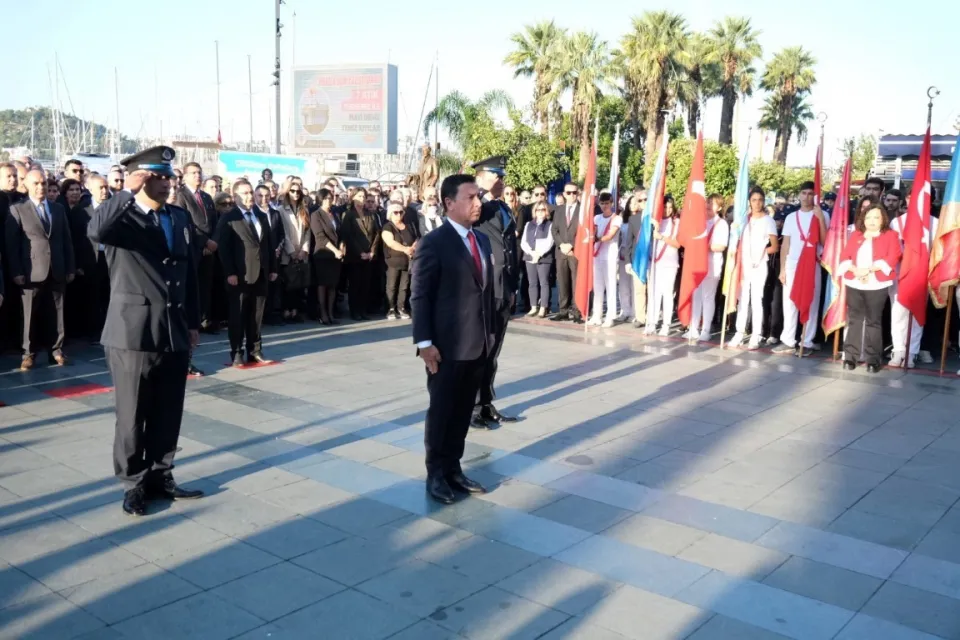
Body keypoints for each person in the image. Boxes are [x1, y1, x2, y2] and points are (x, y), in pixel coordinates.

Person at [87, 146, 203, 516]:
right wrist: (125, 191)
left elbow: (188, 272)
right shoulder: (122, 218)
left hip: (173, 329)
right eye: (160, 177)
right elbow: (96, 229)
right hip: (132, 333)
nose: (169, 183)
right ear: (142, 178)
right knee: (132, 414)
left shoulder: (179, 217)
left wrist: (193, 322)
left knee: (169, 410)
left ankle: (160, 474)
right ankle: (133, 484)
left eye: (170, 177)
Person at [411, 174, 493, 504]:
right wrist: (424, 343)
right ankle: (435, 475)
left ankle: (453, 468)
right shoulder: (434, 242)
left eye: (479, 196)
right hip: (445, 347)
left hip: (477, 344)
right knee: (442, 411)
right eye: (470, 197)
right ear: (449, 203)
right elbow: (420, 295)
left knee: (462, 412)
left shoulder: (481, 240)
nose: (478, 203)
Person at [6, 169, 75, 370]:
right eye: (36, 183)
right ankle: (28, 353)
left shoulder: (58, 209)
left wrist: (70, 266)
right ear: (27, 185)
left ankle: (56, 350)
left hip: (57, 268)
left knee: (57, 312)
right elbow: (12, 244)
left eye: (43, 183)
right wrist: (17, 271)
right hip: (31, 271)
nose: (40, 187)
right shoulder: (18, 209)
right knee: (30, 314)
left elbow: (66, 240)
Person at [471, 156, 519, 429]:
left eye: (502, 176)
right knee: (480, 350)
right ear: (480, 177)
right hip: (485, 286)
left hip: (503, 287)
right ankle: (472, 407)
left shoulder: (503, 207)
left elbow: (511, 250)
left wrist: (513, 287)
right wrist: (480, 192)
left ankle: (486, 404)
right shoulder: (476, 205)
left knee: (494, 351)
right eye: (495, 175)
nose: (501, 180)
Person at [216, 180, 278, 367]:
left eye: (250, 192)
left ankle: (255, 351)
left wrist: (273, 268)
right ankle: (236, 352)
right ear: (235, 197)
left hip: (261, 273)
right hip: (240, 275)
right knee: (238, 316)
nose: (249, 196)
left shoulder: (261, 215)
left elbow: (269, 244)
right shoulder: (229, 218)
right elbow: (223, 248)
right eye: (244, 193)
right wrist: (230, 272)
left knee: (256, 316)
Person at [839, 204, 901, 373]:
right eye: (868, 217)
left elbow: (894, 256)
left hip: (877, 283)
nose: (872, 221)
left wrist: (869, 270)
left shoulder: (890, 235)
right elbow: (845, 256)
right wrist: (855, 270)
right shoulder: (856, 234)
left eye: (876, 217)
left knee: (874, 320)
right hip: (855, 281)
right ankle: (850, 356)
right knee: (854, 319)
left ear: (883, 220)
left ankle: (873, 359)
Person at [773, 182, 829, 356]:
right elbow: (785, 244)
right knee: (790, 301)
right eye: (803, 193)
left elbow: (825, 242)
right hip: (792, 263)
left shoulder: (823, 214)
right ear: (799, 195)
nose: (806, 197)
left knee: (811, 301)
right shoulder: (791, 217)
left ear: (815, 196)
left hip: (812, 263)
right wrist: (782, 269)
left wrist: (820, 219)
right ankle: (788, 340)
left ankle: (807, 341)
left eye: (810, 193)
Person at [888, 194, 938, 368]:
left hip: (921, 275)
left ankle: (912, 351)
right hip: (899, 274)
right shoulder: (897, 222)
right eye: (911, 197)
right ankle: (898, 349)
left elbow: (937, 252)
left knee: (917, 314)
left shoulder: (935, 223)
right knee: (898, 313)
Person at [728, 187, 779, 349]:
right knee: (742, 299)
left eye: (760, 200)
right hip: (743, 265)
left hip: (759, 265)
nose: (757, 203)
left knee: (757, 299)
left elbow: (775, 246)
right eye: (754, 200)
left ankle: (756, 334)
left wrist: (762, 253)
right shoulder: (744, 220)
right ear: (749, 202)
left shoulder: (768, 221)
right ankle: (739, 332)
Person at [175, 162, 219, 335]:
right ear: (185, 176)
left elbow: (215, 222)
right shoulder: (181, 196)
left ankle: (205, 319)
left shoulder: (206, 197)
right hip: (193, 247)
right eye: (193, 173)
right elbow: (185, 222)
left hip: (210, 249)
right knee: (193, 286)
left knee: (206, 285)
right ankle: (192, 321)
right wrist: (204, 241)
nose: (197, 175)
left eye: (199, 172)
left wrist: (214, 241)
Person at [685, 194, 730, 343]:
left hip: (712, 265)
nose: (709, 205)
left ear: (719, 207)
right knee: (696, 295)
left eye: (713, 203)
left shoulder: (722, 224)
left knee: (708, 297)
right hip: (698, 263)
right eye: (708, 202)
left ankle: (706, 329)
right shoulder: (700, 221)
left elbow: (721, 246)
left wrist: (706, 247)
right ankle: (693, 328)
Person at [63, 178, 99, 342]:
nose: (75, 192)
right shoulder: (63, 209)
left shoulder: (85, 209)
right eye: (71, 190)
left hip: (87, 261)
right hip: (72, 260)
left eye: (77, 189)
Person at [342, 188, 381, 320]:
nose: (362, 199)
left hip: (369, 255)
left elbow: (376, 234)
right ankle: (354, 311)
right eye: (359, 196)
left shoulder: (370, 214)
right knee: (355, 284)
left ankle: (363, 310)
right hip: (355, 256)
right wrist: (361, 252)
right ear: (353, 198)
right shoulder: (349, 215)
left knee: (365, 284)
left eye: (363, 196)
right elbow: (348, 236)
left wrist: (372, 251)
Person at [645, 195, 680, 336]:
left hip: (669, 263)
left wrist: (662, 237)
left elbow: (678, 244)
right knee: (654, 293)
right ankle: (652, 322)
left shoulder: (676, 222)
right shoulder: (654, 222)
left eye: (670, 207)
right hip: (654, 263)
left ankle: (666, 324)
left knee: (667, 293)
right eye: (665, 207)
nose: (667, 210)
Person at [310, 188, 344, 326]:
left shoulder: (335, 213)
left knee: (333, 285)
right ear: (320, 199)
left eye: (331, 198)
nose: (329, 200)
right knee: (323, 284)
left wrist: (341, 246)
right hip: (323, 253)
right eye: (326, 198)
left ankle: (331, 313)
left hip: (336, 255)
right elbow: (320, 236)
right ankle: (323, 313)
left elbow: (340, 232)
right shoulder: (316, 215)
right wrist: (335, 250)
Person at [278, 181, 312, 323]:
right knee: (288, 283)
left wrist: (304, 249)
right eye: (292, 191)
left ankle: (295, 311)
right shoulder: (281, 210)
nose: (295, 194)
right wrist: (291, 251)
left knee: (299, 284)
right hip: (288, 253)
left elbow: (307, 232)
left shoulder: (304, 210)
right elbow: (283, 233)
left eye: (298, 191)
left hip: (301, 252)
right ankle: (286, 312)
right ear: (288, 192)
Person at [551, 183, 584, 323]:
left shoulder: (583, 210)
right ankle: (563, 311)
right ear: (564, 194)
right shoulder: (558, 210)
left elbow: (583, 231)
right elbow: (554, 230)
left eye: (574, 192)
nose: (572, 195)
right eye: (569, 193)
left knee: (576, 282)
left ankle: (577, 311)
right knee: (562, 281)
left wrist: (571, 245)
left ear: (578, 193)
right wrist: (561, 245)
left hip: (576, 251)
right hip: (561, 252)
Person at [589, 193, 623, 327]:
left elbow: (610, 235)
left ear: (612, 203)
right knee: (597, 287)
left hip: (610, 257)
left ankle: (610, 316)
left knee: (610, 287)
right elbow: (592, 231)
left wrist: (596, 239)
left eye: (607, 203)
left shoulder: (617, 218)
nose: (604, 206)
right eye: (602, 203)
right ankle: (596, 315)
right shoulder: (596, 218)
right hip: (597, 256)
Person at [381, 202, 417, 320]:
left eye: (401, 212)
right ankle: (391, 308)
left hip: (407, 260)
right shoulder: (388, 226)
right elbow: (390, 242)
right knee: (392, 286)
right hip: (393, 260)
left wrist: (413, 248)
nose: (398, 215)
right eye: (395, 212)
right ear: (390, 214)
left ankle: (401, 308)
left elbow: (416, 238)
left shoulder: (408, 225)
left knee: (404, 286)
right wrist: (405, 249)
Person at [520, 201, 554, 318]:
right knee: (532, 283)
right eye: (538, 210)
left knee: (544, 283)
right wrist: (532, 253)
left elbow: (549, 242)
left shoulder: (550, 224)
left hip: (544, 257)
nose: (540, 212)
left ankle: (543, 308)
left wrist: (539, 254)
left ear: (546, 211)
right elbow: (523, 242)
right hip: (530, 256)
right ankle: (533, 307)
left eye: (543, 210)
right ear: (534, 211)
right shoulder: (528, 224)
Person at [622, 190, 649, 328]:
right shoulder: (633, 219)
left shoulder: (655, 217)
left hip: (652, 260)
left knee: (652, 291)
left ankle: (652, 317)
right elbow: (628, 242)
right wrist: (628, 261)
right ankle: (640, 317)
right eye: (640, 200)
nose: (643, 202)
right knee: (639, 290)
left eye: (645, 199)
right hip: (637, 260)